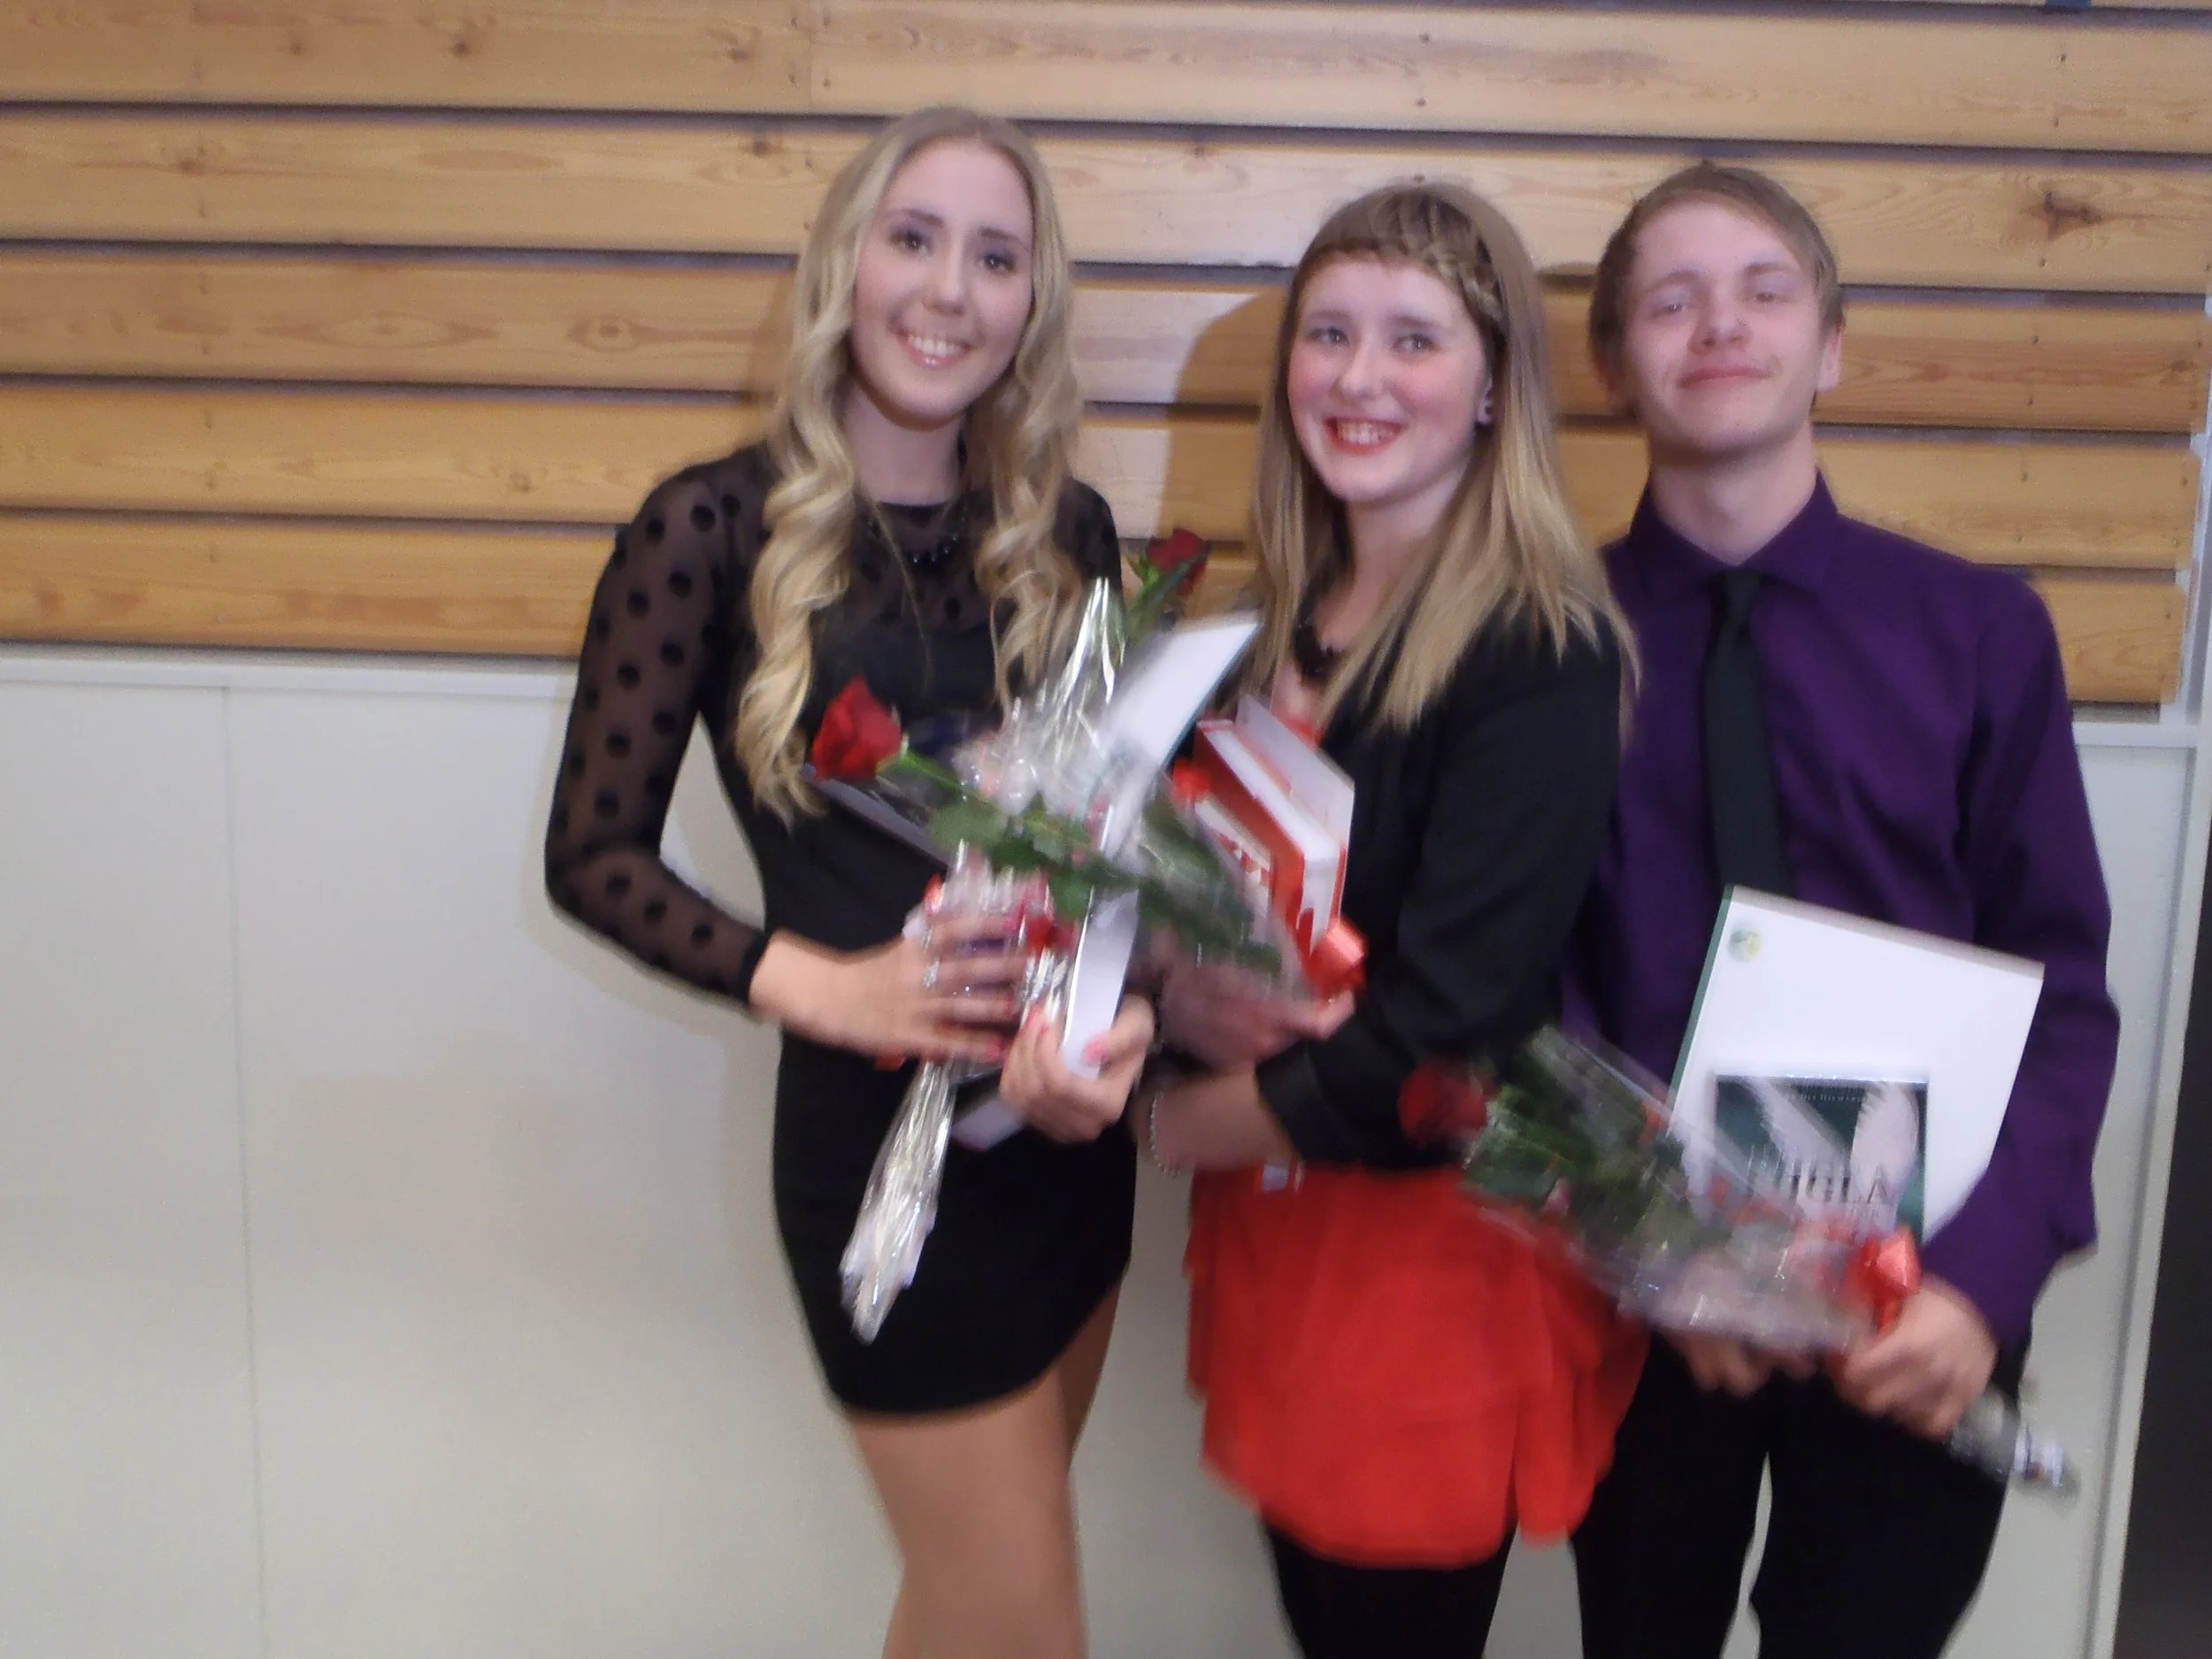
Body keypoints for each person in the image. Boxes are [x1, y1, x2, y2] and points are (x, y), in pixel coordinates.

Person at [542, 105, 1155, 1659]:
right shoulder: (707, 529)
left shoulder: (1067, 535)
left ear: (1032, 302)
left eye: (995, 256)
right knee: (1027, 1633)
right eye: (914, 238)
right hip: (884, 1173)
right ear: (846, 264)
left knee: (965, 1614)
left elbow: (1108, 852)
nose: (949, 289)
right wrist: (824, 985)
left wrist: (1119, 1016)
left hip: (1062, 1151)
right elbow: (591, 855)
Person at [1563, 163, 2121, 1659]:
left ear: (1832, 348)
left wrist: (1980, 1290)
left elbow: (2063, 995)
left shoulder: (1982, 630)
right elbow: (1531, 989)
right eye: (1671, 301)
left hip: (1920, 1288)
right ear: (1613, 364)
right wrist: (1654, 1253)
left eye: (1765, 292)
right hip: (1659, 1305)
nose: (1720, 327)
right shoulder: (1552, 644)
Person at [1145, 181, 1646, 1659]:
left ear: (1494, 386)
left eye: (1414, 339)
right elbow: (1198, 912)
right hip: (1280, 1230)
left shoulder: (1535, 643)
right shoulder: (1267, 625)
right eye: (1330, 334)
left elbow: (1448, 1027)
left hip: (1421, 1272)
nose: (1359, 377)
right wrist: (1163, 991)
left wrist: (1162, 1122)